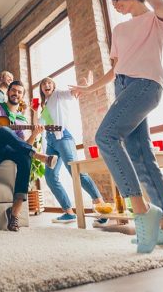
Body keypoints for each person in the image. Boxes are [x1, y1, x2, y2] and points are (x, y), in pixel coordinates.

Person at [70, 0, 163, 253]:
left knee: (105, 136)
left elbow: (161, 6)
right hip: (124, 88)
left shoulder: (154, 21)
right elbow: (114, 71)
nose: (116, 6)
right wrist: (88, 88)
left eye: (117, 0)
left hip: (146, 85)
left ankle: (141, 209)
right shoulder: (119, 31)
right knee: (142, 156)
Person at [0, 80, 58, 232]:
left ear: (22, 97)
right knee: (4, 131)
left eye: (20, 92)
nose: (16, 94)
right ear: (8, 92)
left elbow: (23, 144)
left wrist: (34, 133)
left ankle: (14, 214)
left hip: (8, 155)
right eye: (13, 90)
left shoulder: (21, 120)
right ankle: (39, 156)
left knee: (25, 157)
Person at [36, 77, 107, 225]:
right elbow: (42, 123)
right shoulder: (46, 104)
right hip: (51, 142)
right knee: (50, 177)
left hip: (63, 138)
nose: (46, 85)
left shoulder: (57, 94)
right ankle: (68, 212)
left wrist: (83, 86)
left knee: (77, 172)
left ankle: (101, 207)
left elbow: (72, 93)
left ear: (53, 86)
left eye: (49, 83)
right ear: (41, 89)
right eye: (43, 84)